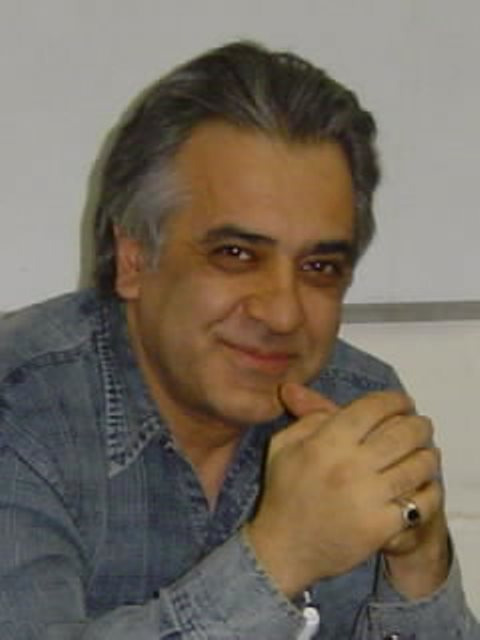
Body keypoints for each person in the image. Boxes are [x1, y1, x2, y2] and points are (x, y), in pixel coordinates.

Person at [0, 41, 477, 640]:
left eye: (320, 267)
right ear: (134, 260)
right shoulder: (22, 407)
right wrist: (278, 560)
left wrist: (419, 565)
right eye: (236, 254)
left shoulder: (354, 405)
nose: (282, 313)